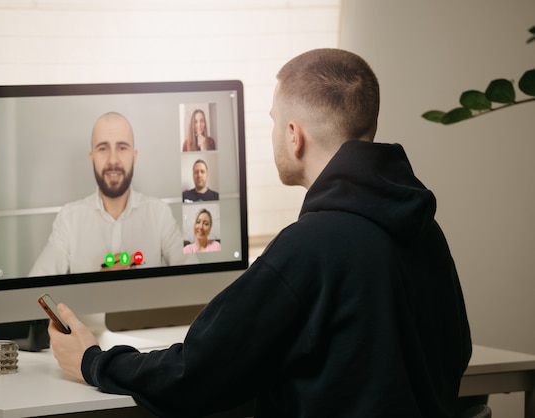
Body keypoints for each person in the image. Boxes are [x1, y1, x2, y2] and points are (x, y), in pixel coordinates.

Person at [49, 49, 472, 418]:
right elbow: (457, 352)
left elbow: (195, 372)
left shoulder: (311, 247)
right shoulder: (423, 229)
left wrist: (93, 361)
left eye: (274, 122)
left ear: (294, 135)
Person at [29, 112, 188, 275]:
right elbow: (35, 291)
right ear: (92, 158)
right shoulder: (68, 220)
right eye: (103, 148)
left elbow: (193, 279)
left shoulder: (159, 214)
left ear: (134, 156)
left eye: (122, 148)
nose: (113, 160)